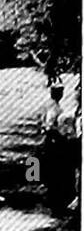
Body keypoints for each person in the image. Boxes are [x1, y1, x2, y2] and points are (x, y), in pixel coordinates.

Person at [40, 81, 74, 216]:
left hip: (48, 141)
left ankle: (51, 198)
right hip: (53, 142)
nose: (61, 94)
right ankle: (55, 203)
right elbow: (48, 126)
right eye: (59, 91)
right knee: (56, 172)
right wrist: (61, 135)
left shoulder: (48, 105)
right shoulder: (54, 108)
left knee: (50, 172)